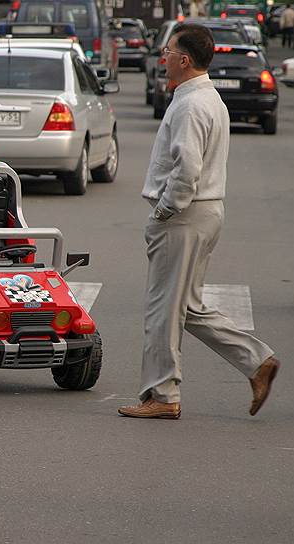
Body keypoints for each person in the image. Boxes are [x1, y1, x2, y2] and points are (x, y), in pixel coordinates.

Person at [118, 23, 280, 420]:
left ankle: (163, 395)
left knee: (162, 310)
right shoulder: (207, 97)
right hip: (204, 212)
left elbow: (187, 169)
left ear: (184, 60)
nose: (163, 57)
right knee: (186, 307)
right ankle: (257, 361)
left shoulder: (190, 104)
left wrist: (164, 210)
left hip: (184, 216)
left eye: (168, 51)